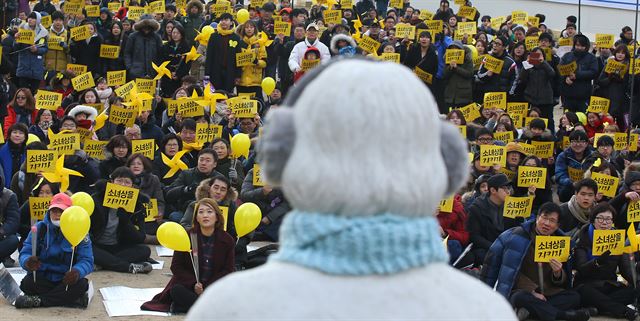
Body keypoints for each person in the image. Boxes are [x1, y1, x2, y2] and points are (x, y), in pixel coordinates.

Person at [482, 202, 593, 321]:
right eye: (544, 218)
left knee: (574, 297)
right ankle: (562, 315)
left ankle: (532, 312)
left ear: (557, 225)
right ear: (537, 218)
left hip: (549, 293)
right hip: (524, 292)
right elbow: (509, 271)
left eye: (552, 220)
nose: (546, 223)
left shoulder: (560, 243)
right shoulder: (517, 236)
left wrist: (558, 273)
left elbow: (563, 282)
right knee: (519, 298)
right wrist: (532, 291)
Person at [141, 198, 235, 314]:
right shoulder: (187, 236)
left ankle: (189, 307)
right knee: (176, 290)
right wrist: (193, 284)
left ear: (217, 216)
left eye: (209, 212)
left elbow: (228, 270)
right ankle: (208, 308)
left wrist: (207, 287)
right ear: (196, 217)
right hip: (190, 286)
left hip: (214, 287)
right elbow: (176, 267)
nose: (205, 215)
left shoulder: (227, 240)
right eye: (201, 212)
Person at [15, 193, 93, 309]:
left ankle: (39, 301)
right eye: (54, 211)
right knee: (27, 283)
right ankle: (69, 300)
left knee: (81, 285)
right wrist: (27, 262)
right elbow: (25, 251)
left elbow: (87, 260)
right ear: (49, 211)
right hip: (43, 276)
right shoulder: (39, 228)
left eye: (61, 211)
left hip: (66, 280)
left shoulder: (80, 230)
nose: (57, 215)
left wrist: (76, 272)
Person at [573, 203, 639, 320]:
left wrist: (636, 281)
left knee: (633, 291)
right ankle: (623, 311)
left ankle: (597, 308)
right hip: (587, 285)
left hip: (609, 284)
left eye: (608, 219)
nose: (604, 223)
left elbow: (625, 270)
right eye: (601, 219)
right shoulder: (582, 237)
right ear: (593, 220)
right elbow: (581, 268)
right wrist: (597, 262)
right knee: (584, 292)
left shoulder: (617, 238)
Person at [90, 167, 152, 274]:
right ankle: (128, 267)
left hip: (118, 247)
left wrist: (125, 221)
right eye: (119, 181)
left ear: (132, 186)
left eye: (127, 182)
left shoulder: (137, 205)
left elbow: (140, 237)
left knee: (145, 250)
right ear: (111, 182)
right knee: (84, 249)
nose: (122, 185)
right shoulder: (96, 199)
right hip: (97, 245)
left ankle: (103, 263)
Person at [466, 173, 512, 267]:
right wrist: (495, 247)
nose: (508, 191)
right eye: (504, 188)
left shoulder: (511, 206)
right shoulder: (477, 208)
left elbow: (514, 230)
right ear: (493, 190)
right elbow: (474, 236)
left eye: (508, 188)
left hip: (506, 247)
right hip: (486, 249)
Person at [166, 148, 223, 222]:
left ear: (215, 164)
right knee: (174, 216)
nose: (203, 163)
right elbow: (169, 195)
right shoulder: (186, 174)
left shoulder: (219, 179)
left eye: (207, 161)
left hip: (210, 213)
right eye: (201, 160)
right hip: (186, 212)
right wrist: (186, 189)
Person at [205, 13, 246, 92]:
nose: (223, 22)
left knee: (228, 96)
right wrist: (207, 74)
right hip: (215, 72)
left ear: (231, 22)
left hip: (230, 73)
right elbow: (209, 56)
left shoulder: (236, 37)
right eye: (222, 20)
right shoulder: (214, 36)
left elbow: (238, 58)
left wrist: (238, 75)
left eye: (226, 20)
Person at [559, 34, 598, 113]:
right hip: (568, 95)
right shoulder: (567, 56)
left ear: (586, 46)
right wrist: (565, 78)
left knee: (582, 119)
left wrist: (577, 75)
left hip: (584, 95)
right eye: (577, 45)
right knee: (568, 119)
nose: (579, 48)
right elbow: (560, 70)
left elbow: (594, 72)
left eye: (582, 46)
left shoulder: (591, 58)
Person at [555, 130, 593, 202]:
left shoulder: (593, 156)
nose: (578, 144)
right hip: (570, 187)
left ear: (586, 143)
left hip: (589, 186)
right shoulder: (563, 156)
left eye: (581, 141)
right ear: (570, 143)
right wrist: (571, 182)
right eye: (574, 141)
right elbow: (559, 175)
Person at [15, 12, 48, 93]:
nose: (30, 20)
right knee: (23, 93)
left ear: (38, 20)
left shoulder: (43, 33)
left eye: (33, 18)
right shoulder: (22, 30)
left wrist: (37, 50)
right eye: (29, 18)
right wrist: (16, 41)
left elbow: (45, 49)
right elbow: (15, 48)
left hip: (36, 69)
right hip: (24, 67)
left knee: (33, 93)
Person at [124, 14, 163, 79]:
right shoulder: (133, 36)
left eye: (148, 26)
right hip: (136, 73)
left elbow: (160, 54)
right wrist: (130, 68)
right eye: (144, 26)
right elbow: (127, 53)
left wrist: (157, 69)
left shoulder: (157, 37)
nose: (146, 28)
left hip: (152, 73)